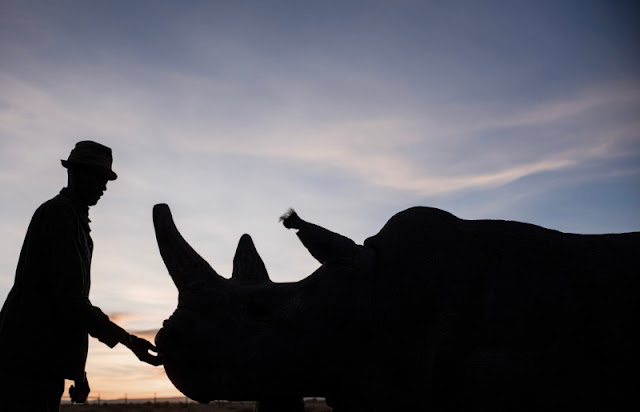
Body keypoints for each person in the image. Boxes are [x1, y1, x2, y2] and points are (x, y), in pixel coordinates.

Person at [0, 141, 162, 411]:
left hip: (42, 359)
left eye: (106, 179)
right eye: (98, 177)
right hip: (26, 358)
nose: (104, 187)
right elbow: (71, 302)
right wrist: (129, 341)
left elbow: (70, 309)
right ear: (75, 173)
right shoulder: (59, 214)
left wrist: (78, 371)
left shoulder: (76, 222)